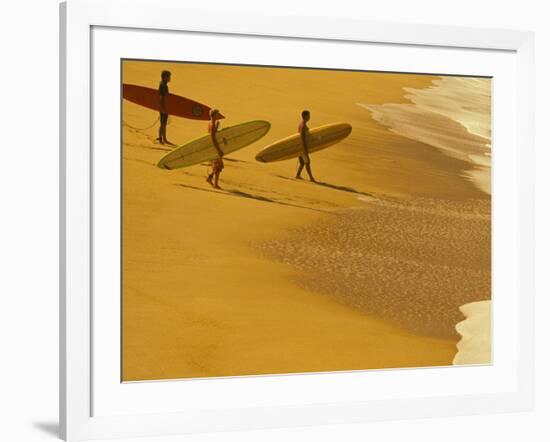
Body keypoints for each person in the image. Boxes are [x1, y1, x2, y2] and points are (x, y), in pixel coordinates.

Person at [206, 109, 224, 189]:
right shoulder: (213, 124)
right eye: (217, 114)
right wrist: (218, 150)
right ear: (214, 115)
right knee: (218, 166)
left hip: (211, 147)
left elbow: (213, 134)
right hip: (214, 148)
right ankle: (215, 184)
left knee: (217, 166)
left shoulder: (210, 123)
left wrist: (217, 127)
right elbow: (213, 138)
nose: (218, 115)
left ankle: (210, 178)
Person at [296, 110, 316, 182]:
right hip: (302, 147)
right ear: (305, 116)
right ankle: (311, 177)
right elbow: (302, 138)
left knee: (302, 162)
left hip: (299, 146)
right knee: (307, 162)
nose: (309, 117)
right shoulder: (303, 125)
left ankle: (298, 175)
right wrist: (304, 149)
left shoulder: (301, 123)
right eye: (308, 116)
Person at [157, 70, 174, 145]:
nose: (170, 78)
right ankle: (161, 138)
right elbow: (160, 98)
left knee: (163, 123)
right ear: (165, 77)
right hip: (163, 107)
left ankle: (163, 138)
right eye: (169, 76)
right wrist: (162, 108)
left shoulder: (164, 85)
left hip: (165, 107)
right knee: (162, 123)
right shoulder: (162, 85)